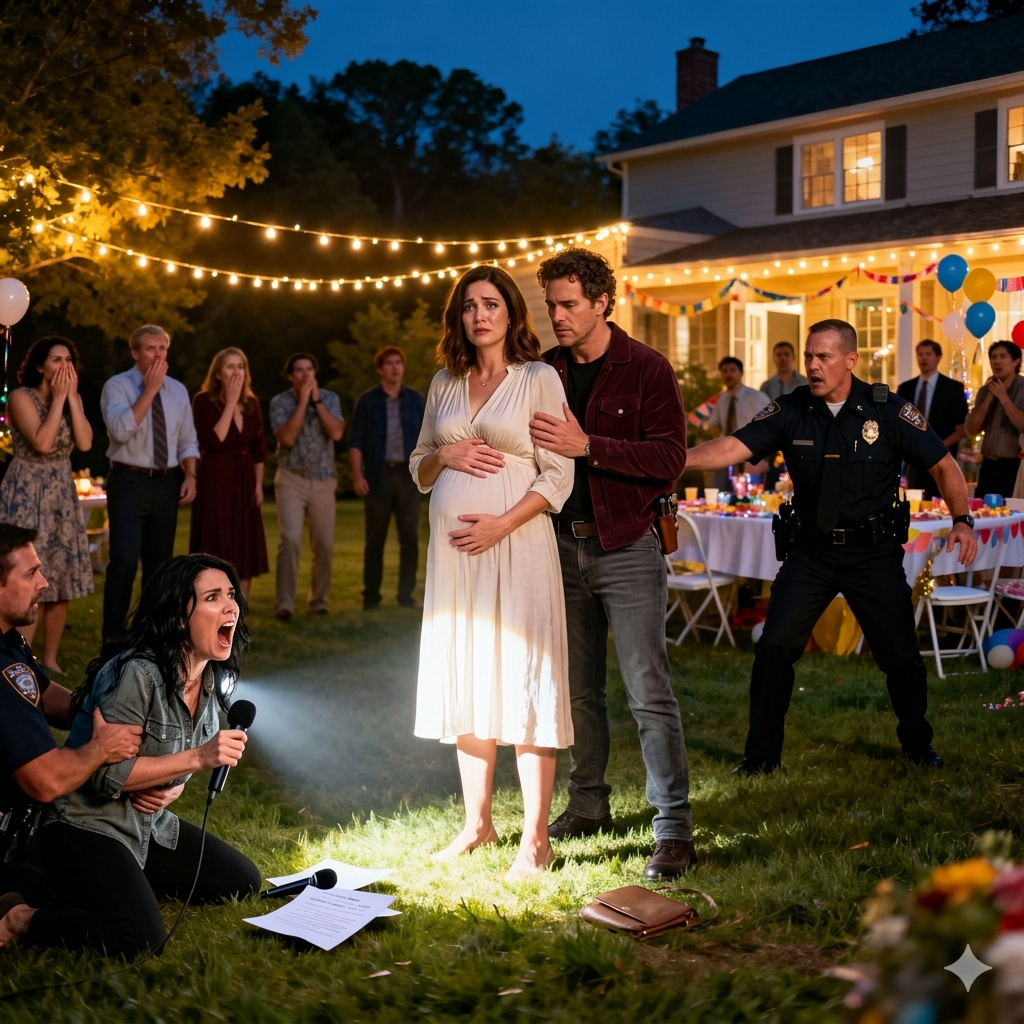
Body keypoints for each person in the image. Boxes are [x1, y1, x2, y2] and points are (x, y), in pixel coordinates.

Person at [686, 319, 977, 776]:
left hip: (873, 553)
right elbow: (733, 447)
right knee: (774, 646)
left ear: (850, 360)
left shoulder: (888, 410)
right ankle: (760, 758)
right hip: (811, 553)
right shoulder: (791, 409)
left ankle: (917, 746)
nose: (813, 366)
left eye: (823, 357)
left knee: (901, 655)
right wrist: (678, 461)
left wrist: (962, 521)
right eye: (809, 356)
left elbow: (943, 465)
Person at [529, 248, 695, 880]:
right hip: (557, 546)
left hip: (626, 545)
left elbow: (669, 459)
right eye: (552, 304)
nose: (558, 316)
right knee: (578, 691)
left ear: (602, 303)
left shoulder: (647, 368)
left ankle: (673, 828)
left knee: (647, 691)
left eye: (569, 304)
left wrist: (588, 446)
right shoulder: (544, 371)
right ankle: (587, 805)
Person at [409, 265, 574, 881]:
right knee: (469, 671)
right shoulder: (444, 383)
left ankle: (536, 839)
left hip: (518, 544)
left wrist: (501, 524)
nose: (479, 315)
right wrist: (444, 454)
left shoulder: (538, 379)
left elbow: (558, 474)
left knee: (525, 673)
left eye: (491, 304)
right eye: (469, 306)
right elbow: (419, 468)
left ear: (511, 313)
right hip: (456, 558)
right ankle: (478, 824)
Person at [12, 554, 261, 956]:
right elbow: (104, 777)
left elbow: (173, 759)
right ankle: (23, 917)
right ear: (179, 617)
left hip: (148, 826)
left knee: (241, 881)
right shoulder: (137, 674)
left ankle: (109, 886)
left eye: (231, 594)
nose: (230, 606)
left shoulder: (211, 679)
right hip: (86, 824)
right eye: (212, 597)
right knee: (142, 941)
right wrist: (198, 759)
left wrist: (173, 788)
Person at [0, 524, 142, 948]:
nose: (44, 582)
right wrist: (101, 748)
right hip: (17, 830)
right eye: (31, 574)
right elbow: (46, 781)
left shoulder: (9, 641)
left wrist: (106, 700)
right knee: (125, 925)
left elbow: (44, 695)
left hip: (26, 828)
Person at [0, 337, 95, 672]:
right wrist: (57, 401)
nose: (64, 366)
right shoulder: (20, 397)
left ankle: (50, 659)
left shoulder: (71, 399)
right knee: (26, 575)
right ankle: (21, 656)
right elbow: (41, 442)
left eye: (68, 360)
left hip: (61, 494)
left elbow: (85, 442)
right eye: (56, 360)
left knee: (61, 577)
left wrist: (71, 400)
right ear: (40, 366)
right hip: (27, 491)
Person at [100, 325, 199, 641]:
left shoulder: (178, 390)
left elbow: (187, 439)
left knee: (160, 565)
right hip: (129, 480)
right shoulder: (117, 386)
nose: (158, 355)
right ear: (135, 353)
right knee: (124, 561)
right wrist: (150, 389)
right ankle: (113, 640)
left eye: (163, 349)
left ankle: (150, 636)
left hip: (167, 482)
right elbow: (120, 431)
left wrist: (191, 475)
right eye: (150, 349)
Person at [348, 346, 426, 609]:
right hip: (377, 475)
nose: (394, 367)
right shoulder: (368, 401)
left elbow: (429, 438)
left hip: (409, 476)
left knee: (409, 538)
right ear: (380, 369)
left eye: (398, 363)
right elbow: (356, 441)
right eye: (389, 363)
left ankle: (406, 596)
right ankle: (371, 596)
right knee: (375, 539)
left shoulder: (415, 400)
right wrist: (357, 475)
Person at [269, 353, 344, 620]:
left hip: (323, 479)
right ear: (291, 376)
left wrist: (316, 401)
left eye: (309, 369)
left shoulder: (330, 398)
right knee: (290, 539)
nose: (305, 374)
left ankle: (319, 599)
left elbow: (336, 433)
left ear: (315, 372)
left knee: (324, 543)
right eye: (299, 370)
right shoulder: (280, 402)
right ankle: (285, 603)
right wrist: (302, 401)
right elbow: (287, 438)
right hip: (291, 478)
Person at [190, 348, 269, 601]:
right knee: (217, 543)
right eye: (230, 367)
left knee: (244, 548)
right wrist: (231, 402)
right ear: (218, 374)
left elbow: (259, 449)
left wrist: (258, 485)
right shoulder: (203, 401)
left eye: (240, 366)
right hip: (216, 477)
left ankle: (239, 613)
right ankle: (211, 606)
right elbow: (216, 440)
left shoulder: (252, 404)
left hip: (245, 479)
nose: (236, 372)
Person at [897, 339, 968, 500]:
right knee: (916, 502)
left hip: (943, 459)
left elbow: (961, 430)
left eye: (928, 354)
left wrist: (936, 447)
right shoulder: (906, 388)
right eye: (920, 354)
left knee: (941, 503)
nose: (924, 358)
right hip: (914, 460)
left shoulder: (953, 388)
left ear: (938, 357)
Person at [965, 340, 1024, 501]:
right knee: (983, 512)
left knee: (1012, 512)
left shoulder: (1022, 388)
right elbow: (971, 429)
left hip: (1015, 466)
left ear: (1016, 361)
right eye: (993, 357)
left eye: (1003, 357)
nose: (997, 361)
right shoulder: (986, 390)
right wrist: (989, 397)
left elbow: (1022, 425)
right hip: (988, 466)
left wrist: (1004, 398)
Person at [705, 356, 770, 490]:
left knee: (748, 498)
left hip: (750, 457)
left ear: (741, 373)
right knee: (719, 494)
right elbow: (714, 425)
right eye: (725, 371)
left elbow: (770, 429)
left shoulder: (757, 398)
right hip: (725, 455)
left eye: (732, 370)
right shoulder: (722, 400)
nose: (728, 374)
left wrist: (762, 458)